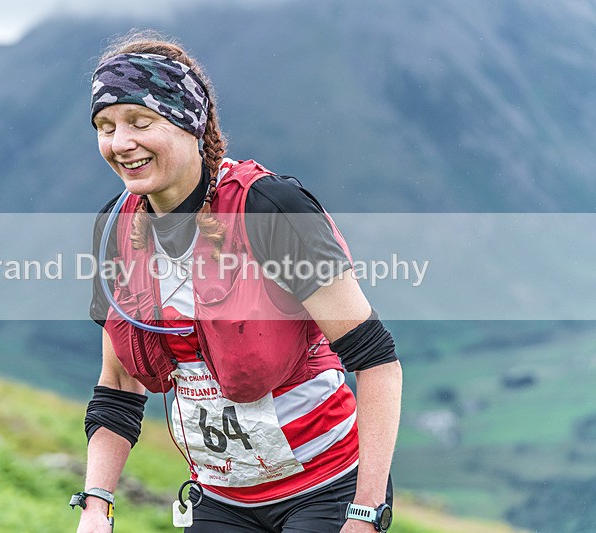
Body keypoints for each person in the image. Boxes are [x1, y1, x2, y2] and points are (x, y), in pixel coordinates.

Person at [72, 30, 402, 533]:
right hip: (221, 499)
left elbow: (376, 361)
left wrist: (366, 513)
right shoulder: (115, 230)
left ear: (190, 123)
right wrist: (97, 505)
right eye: (105, 126)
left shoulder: (269, 208)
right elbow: (119, 384)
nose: (120, 143)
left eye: (140, 122)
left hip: (328, 489)